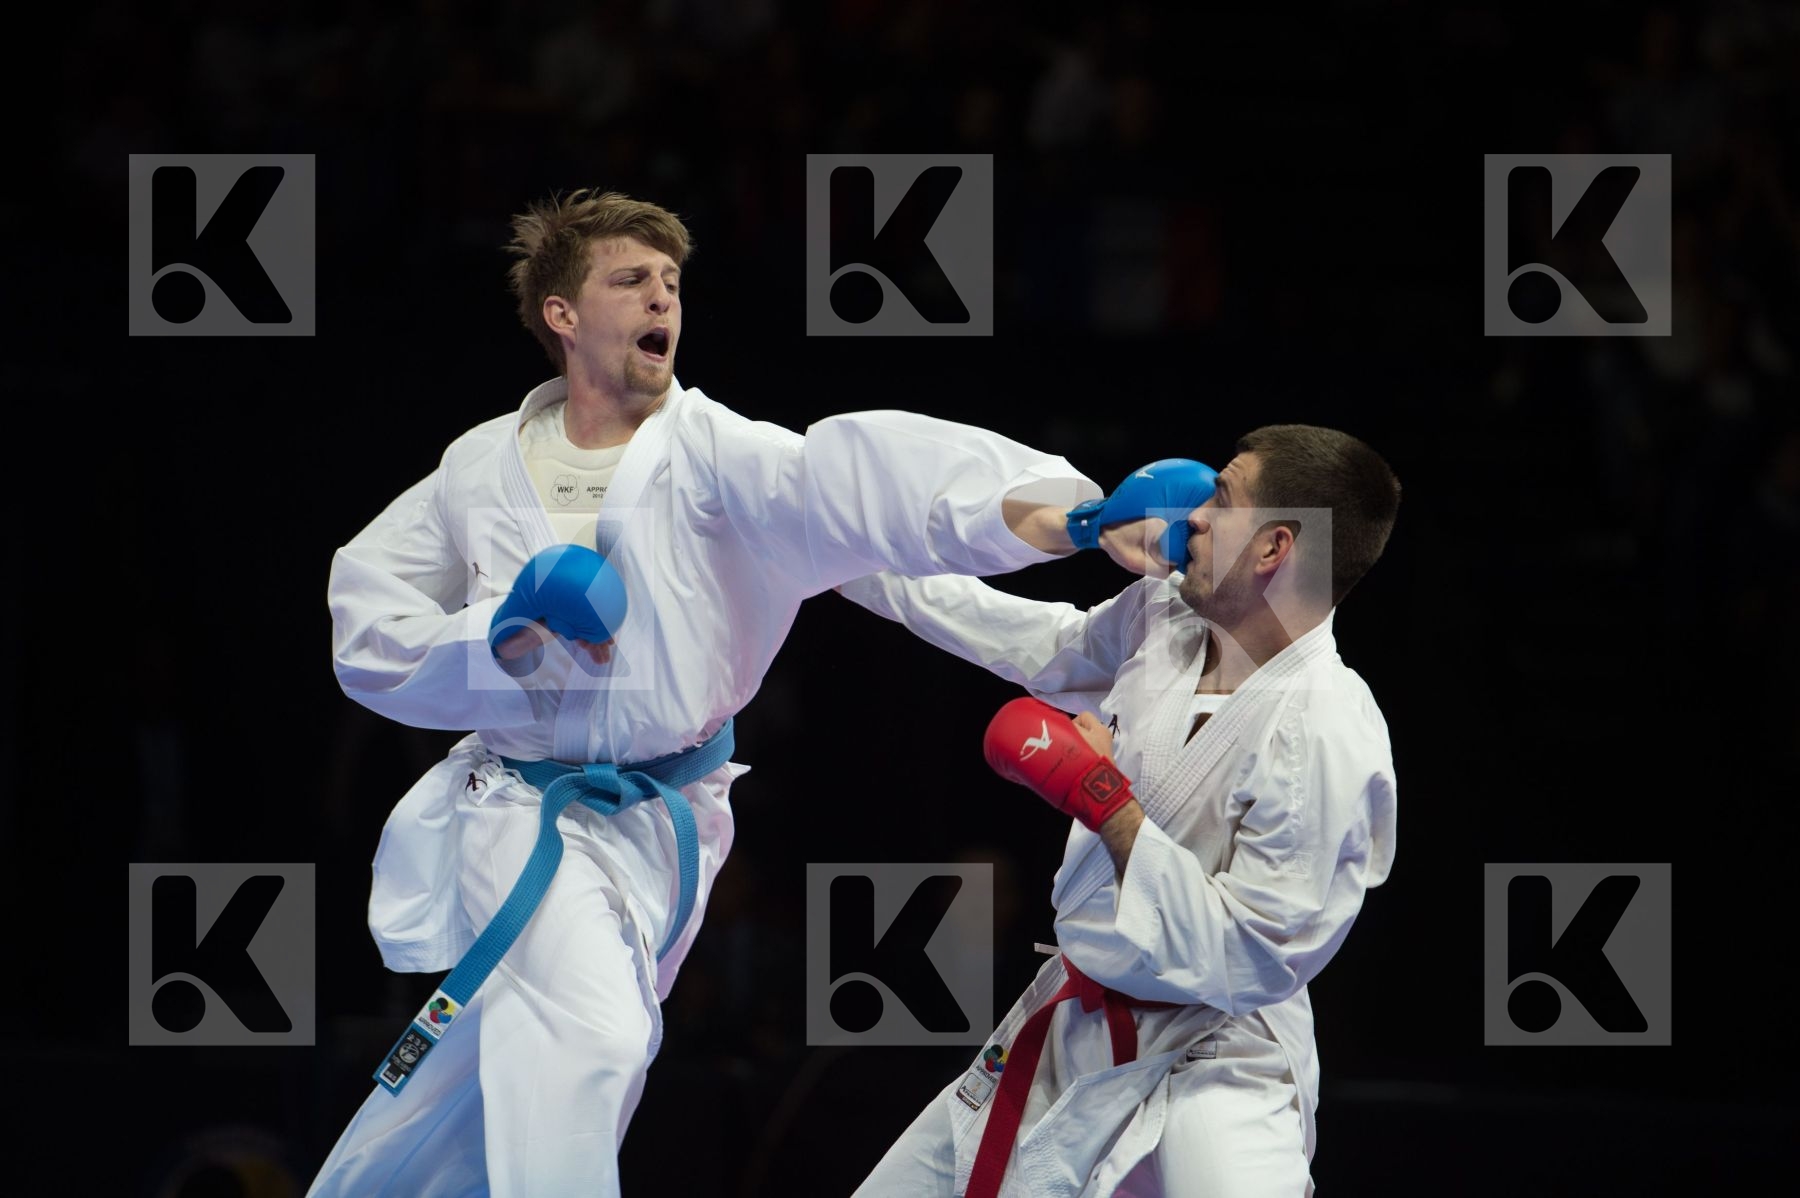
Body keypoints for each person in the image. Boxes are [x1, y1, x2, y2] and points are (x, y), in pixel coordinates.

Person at [305, 188, 1179, 1198]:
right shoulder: (476, 470)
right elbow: (367, 623)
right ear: (561, 314)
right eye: (631, 280)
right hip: (519, 803)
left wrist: (1073, 517)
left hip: (670, 821)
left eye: (671, 283)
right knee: (584, 1041)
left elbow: (874, 492)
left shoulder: (721, 457)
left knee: (503, 1083)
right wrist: (498, 634)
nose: (660, 299)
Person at [842, 425, 1401, 1197]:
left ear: (1273, 549)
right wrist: (842, 561)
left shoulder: (1329, 730)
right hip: (1075, 1021)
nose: (1192, 514)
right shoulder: (1166, 617)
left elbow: (1253, 958)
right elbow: (1036, 643)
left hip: (1216, 1061)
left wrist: (1108, 807)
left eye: (1221, 499)